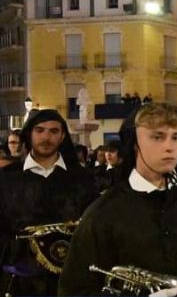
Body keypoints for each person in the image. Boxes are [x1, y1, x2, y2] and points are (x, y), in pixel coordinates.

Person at [59, 102, 177, 296]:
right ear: (134, 145)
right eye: (157, 137)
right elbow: (74, 289)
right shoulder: (102, 213)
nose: (169, 147)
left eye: (176, 137)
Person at [0, 109, 98, 296]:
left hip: (71, 281)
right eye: (40, 130)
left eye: (54, 131)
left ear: (62, 137)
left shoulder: (81, 178)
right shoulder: (7, 178)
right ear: (29, 134)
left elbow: (93, 227)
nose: (46, 137)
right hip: (19, 282)